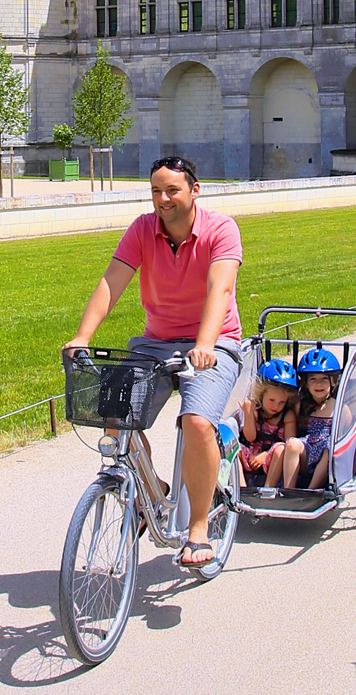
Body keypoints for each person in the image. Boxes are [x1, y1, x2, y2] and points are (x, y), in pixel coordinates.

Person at [65, 154, 244, 568]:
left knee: (197, 423)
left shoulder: (221, 229)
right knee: (114, 416)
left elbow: (220, 289)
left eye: (172, 190)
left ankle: (198, 528)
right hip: (156, 342)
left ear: (194, 190)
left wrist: (205, 343)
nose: (163, 199)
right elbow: (113, 280)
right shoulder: (143, 229)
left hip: (213, 343)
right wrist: (82, 337)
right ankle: (153, 490)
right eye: (156, 191)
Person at [281, 348, 340, 490]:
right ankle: (289, 491)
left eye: (324, 379)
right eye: (313, 379)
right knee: (292, 443)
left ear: (333, 381)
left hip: (327, 456)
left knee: (330, 445)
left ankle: (310, 491)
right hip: (307, 450)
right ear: (306, 383)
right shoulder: (301, 405)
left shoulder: (338, 406)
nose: (319, 384)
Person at [239, 358, 298, 490]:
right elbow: (250, 437)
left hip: (274, 459)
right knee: (233, 448)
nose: (276, 406)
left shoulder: (287, 415)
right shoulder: (256, 410)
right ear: (261, 394)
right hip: (253, 454)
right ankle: (241, 488)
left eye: (282, 402)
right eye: (272, 400)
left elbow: (289, 442)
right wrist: (248, 414)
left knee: (281, 448)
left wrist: (265, 455)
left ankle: (268, 489)